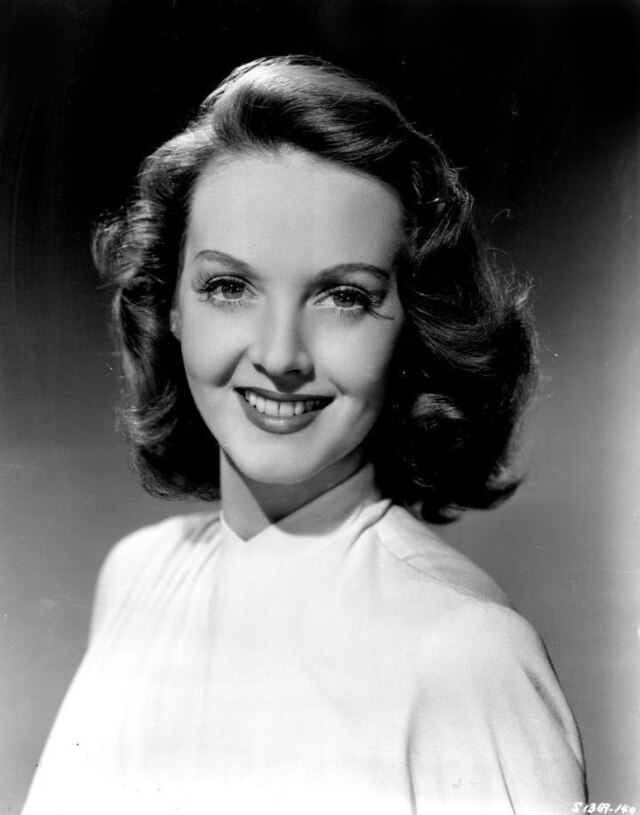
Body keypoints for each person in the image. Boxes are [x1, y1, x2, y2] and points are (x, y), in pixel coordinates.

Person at [23, 56, 586, 814]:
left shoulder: (467, 653)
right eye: (229, 287)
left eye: (343, 296)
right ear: (173, 305)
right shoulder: (136, 578)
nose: (281, 356)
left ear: (413, 328)